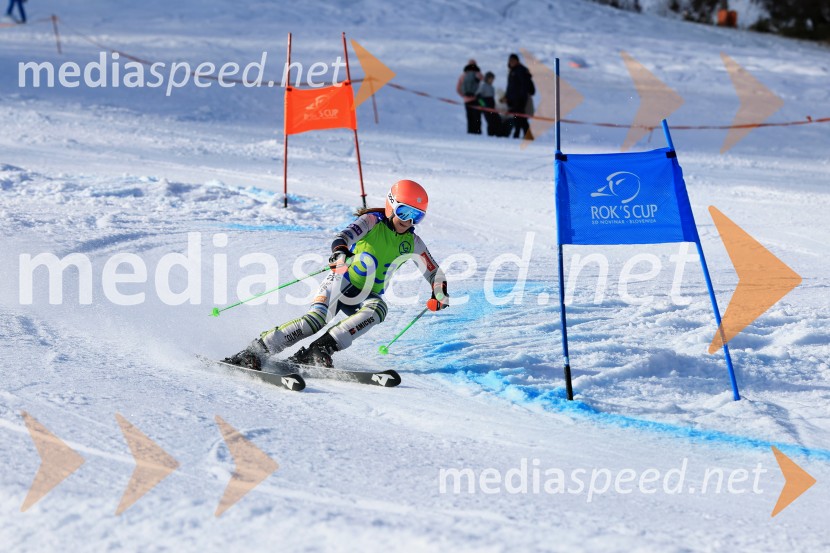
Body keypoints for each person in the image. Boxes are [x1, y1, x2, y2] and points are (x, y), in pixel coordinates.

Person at [225, 180, 449, 371]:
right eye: (404, 213)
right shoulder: (372, 222)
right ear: (391, 206)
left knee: (378, 309)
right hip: (342, 280)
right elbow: (344, 237)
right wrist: (340, 253)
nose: (408, 221)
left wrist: (439, 292)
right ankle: (256, 351)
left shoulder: (413, 243)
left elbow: (434, 272)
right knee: (314, 321)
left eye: (416, 217)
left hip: (366, 293)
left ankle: (318, 350)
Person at [501, 53, 535, 139]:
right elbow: (511, 87)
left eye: (513, 60)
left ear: (517, 61)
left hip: (519, 99)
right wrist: (506, 97)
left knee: (520, 117)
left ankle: (521, 134)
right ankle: (523, 134)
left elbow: (524, 86)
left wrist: (521, 99)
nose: (511, 62)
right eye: (510, 60)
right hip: (513, 99)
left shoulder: (520, 70)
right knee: (519, 117)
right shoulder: (513, 70)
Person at [456, 59, 483, 134]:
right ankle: (478, 132)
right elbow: (483, 86)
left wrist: (464, 96)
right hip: (477, 100)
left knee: (469, 117)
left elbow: (458, 89)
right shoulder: (479, 74)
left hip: (467, 100)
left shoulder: (463, 75)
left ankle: (470, 132)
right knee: (477, 117)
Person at [476, 71, 503, 137]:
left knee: (497, 120)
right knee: (491, 122)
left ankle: (498, 135)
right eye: (491, 79)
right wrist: (483, 105)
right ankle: (491, 136)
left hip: (492, 107)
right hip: (486, 107)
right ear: (487, 78)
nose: (492, 80)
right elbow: (478, 96)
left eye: (493, 79)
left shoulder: (492, 87)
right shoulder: (483, 86)